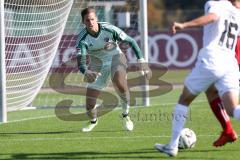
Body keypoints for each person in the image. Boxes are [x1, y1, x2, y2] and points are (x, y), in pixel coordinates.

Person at [155, 0, 240, 157]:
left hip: (213, 59)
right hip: (230, 63)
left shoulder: (216, 4)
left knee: (184, 100)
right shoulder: (236, 12)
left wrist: (184, 25)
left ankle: (172, 146)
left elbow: (213, 17)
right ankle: (227, 129)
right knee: (233, 109)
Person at [75, 7, 151, 132]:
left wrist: (141, 61)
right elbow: (81, 62)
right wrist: (86, 72)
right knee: (89, 105)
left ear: (97, 19)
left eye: (92, 19)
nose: (91, 22)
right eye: (87, 20)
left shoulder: (109, 29)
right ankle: (93, 121)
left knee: (120, 84)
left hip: (116, 58)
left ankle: (125, 115)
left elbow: (131, 41)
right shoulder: (82, 39)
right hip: (97, 66)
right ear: (83, 22)